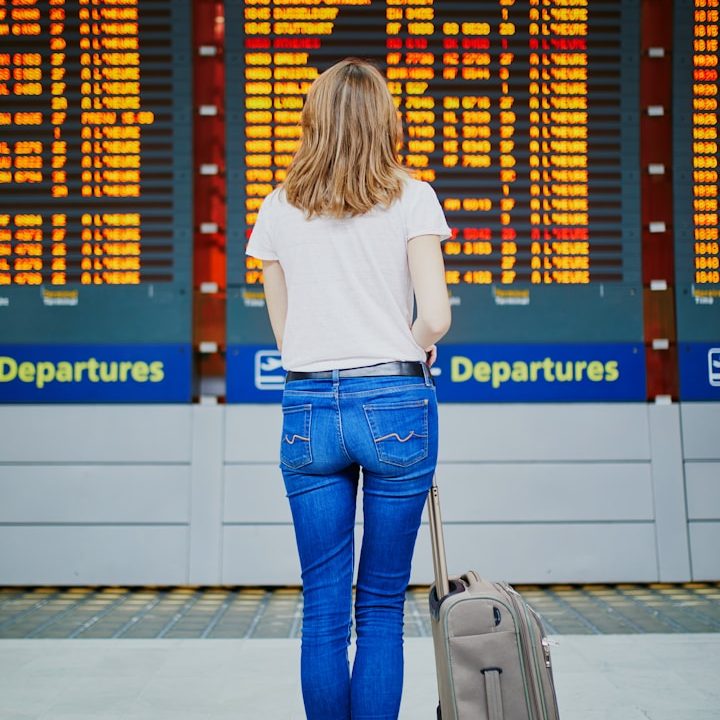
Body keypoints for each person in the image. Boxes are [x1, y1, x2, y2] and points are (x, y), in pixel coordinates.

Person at [245, 57, 452, 720]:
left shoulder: (278, 207)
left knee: (325, 605)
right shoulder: (411, 196)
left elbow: (284, 326)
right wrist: (409, 339)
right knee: (382, 604)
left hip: (308, 404)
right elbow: (437, 316)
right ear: (385, 122)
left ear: (315, 123)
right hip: (395, 400)